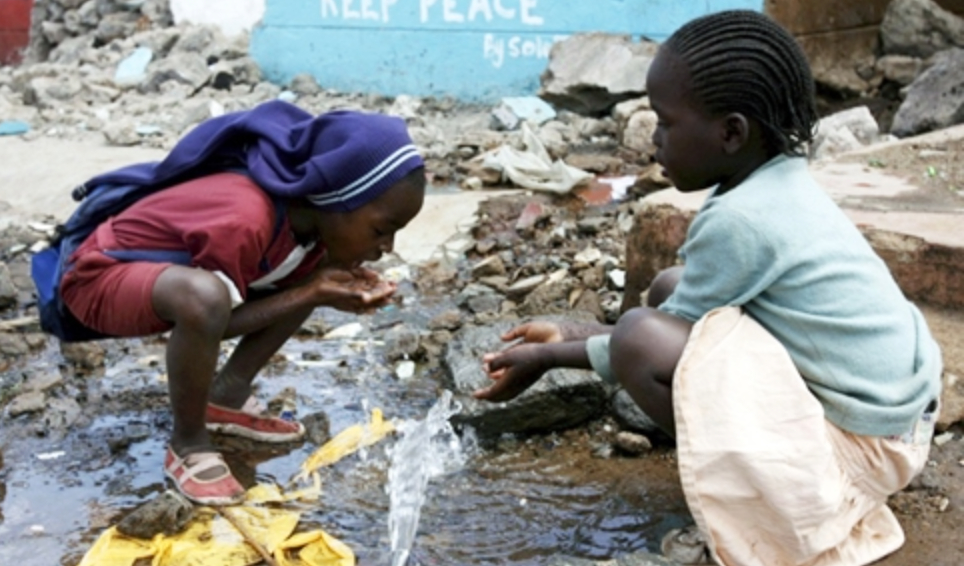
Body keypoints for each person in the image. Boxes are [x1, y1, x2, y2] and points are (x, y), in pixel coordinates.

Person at [474, 10, 942, 566]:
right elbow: (682, 313)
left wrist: (551, 355)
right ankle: (771, 478)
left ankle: (779, 507)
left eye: (665, 123)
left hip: (865, 448)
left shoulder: (740, 221)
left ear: (732, 132)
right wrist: (574, 334)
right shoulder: (777, 176)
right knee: (668, 290)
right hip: (903, 419)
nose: (654, 141)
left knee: (640, 339)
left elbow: (643, 343)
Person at [59, 100, 426, 506]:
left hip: (172, 285)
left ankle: (226, 395)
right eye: (381, 230)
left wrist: (325, 286)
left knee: (321, 273)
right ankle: (188, 441)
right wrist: (312, 293)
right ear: (338, 197)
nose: (386, 248)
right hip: (96, 280)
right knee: (209, 297)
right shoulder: (245, 216)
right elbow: (213, 320)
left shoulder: (307, 220)